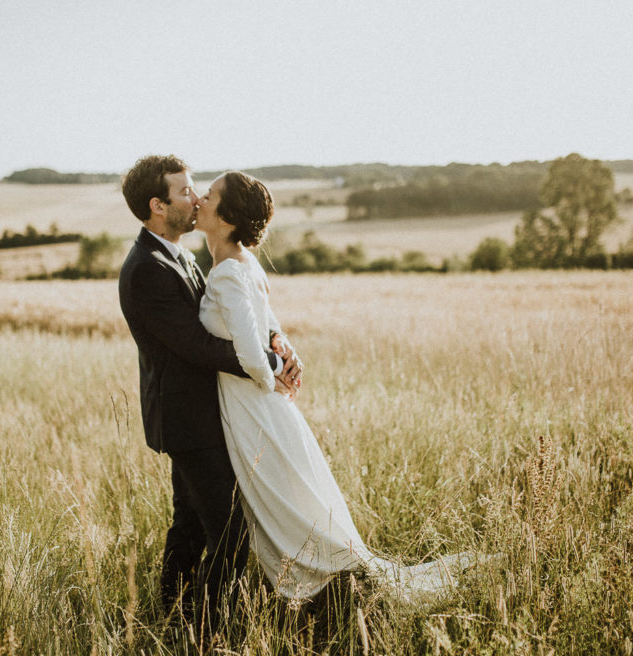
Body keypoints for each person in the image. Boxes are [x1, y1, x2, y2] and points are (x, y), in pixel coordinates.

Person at [194, 171, 482, 606]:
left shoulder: (225, 274)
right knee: (292, 498)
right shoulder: (242, 265)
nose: (200, 197)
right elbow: (266, 324)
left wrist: (273, 371)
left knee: (281, 503)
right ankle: (337, 583)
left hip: (253, 409)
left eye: (210, 194)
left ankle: (330, 589)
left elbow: (251, 356)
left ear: (228, 215)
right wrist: (282, 350)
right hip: (260, 403)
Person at [116, 156, 302, 630]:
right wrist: (268, 363)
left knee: (190, 526)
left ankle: (173, 620)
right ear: (158, 206)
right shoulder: (146, 268)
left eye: (197, 190)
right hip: (190, 421)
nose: (195, 198)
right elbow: (196, 345)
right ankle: (208, 633)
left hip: (208, 413)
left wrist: (275, 340)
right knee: (232, 535)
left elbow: (235, 308)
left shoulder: (182, 255)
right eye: (184, 192)